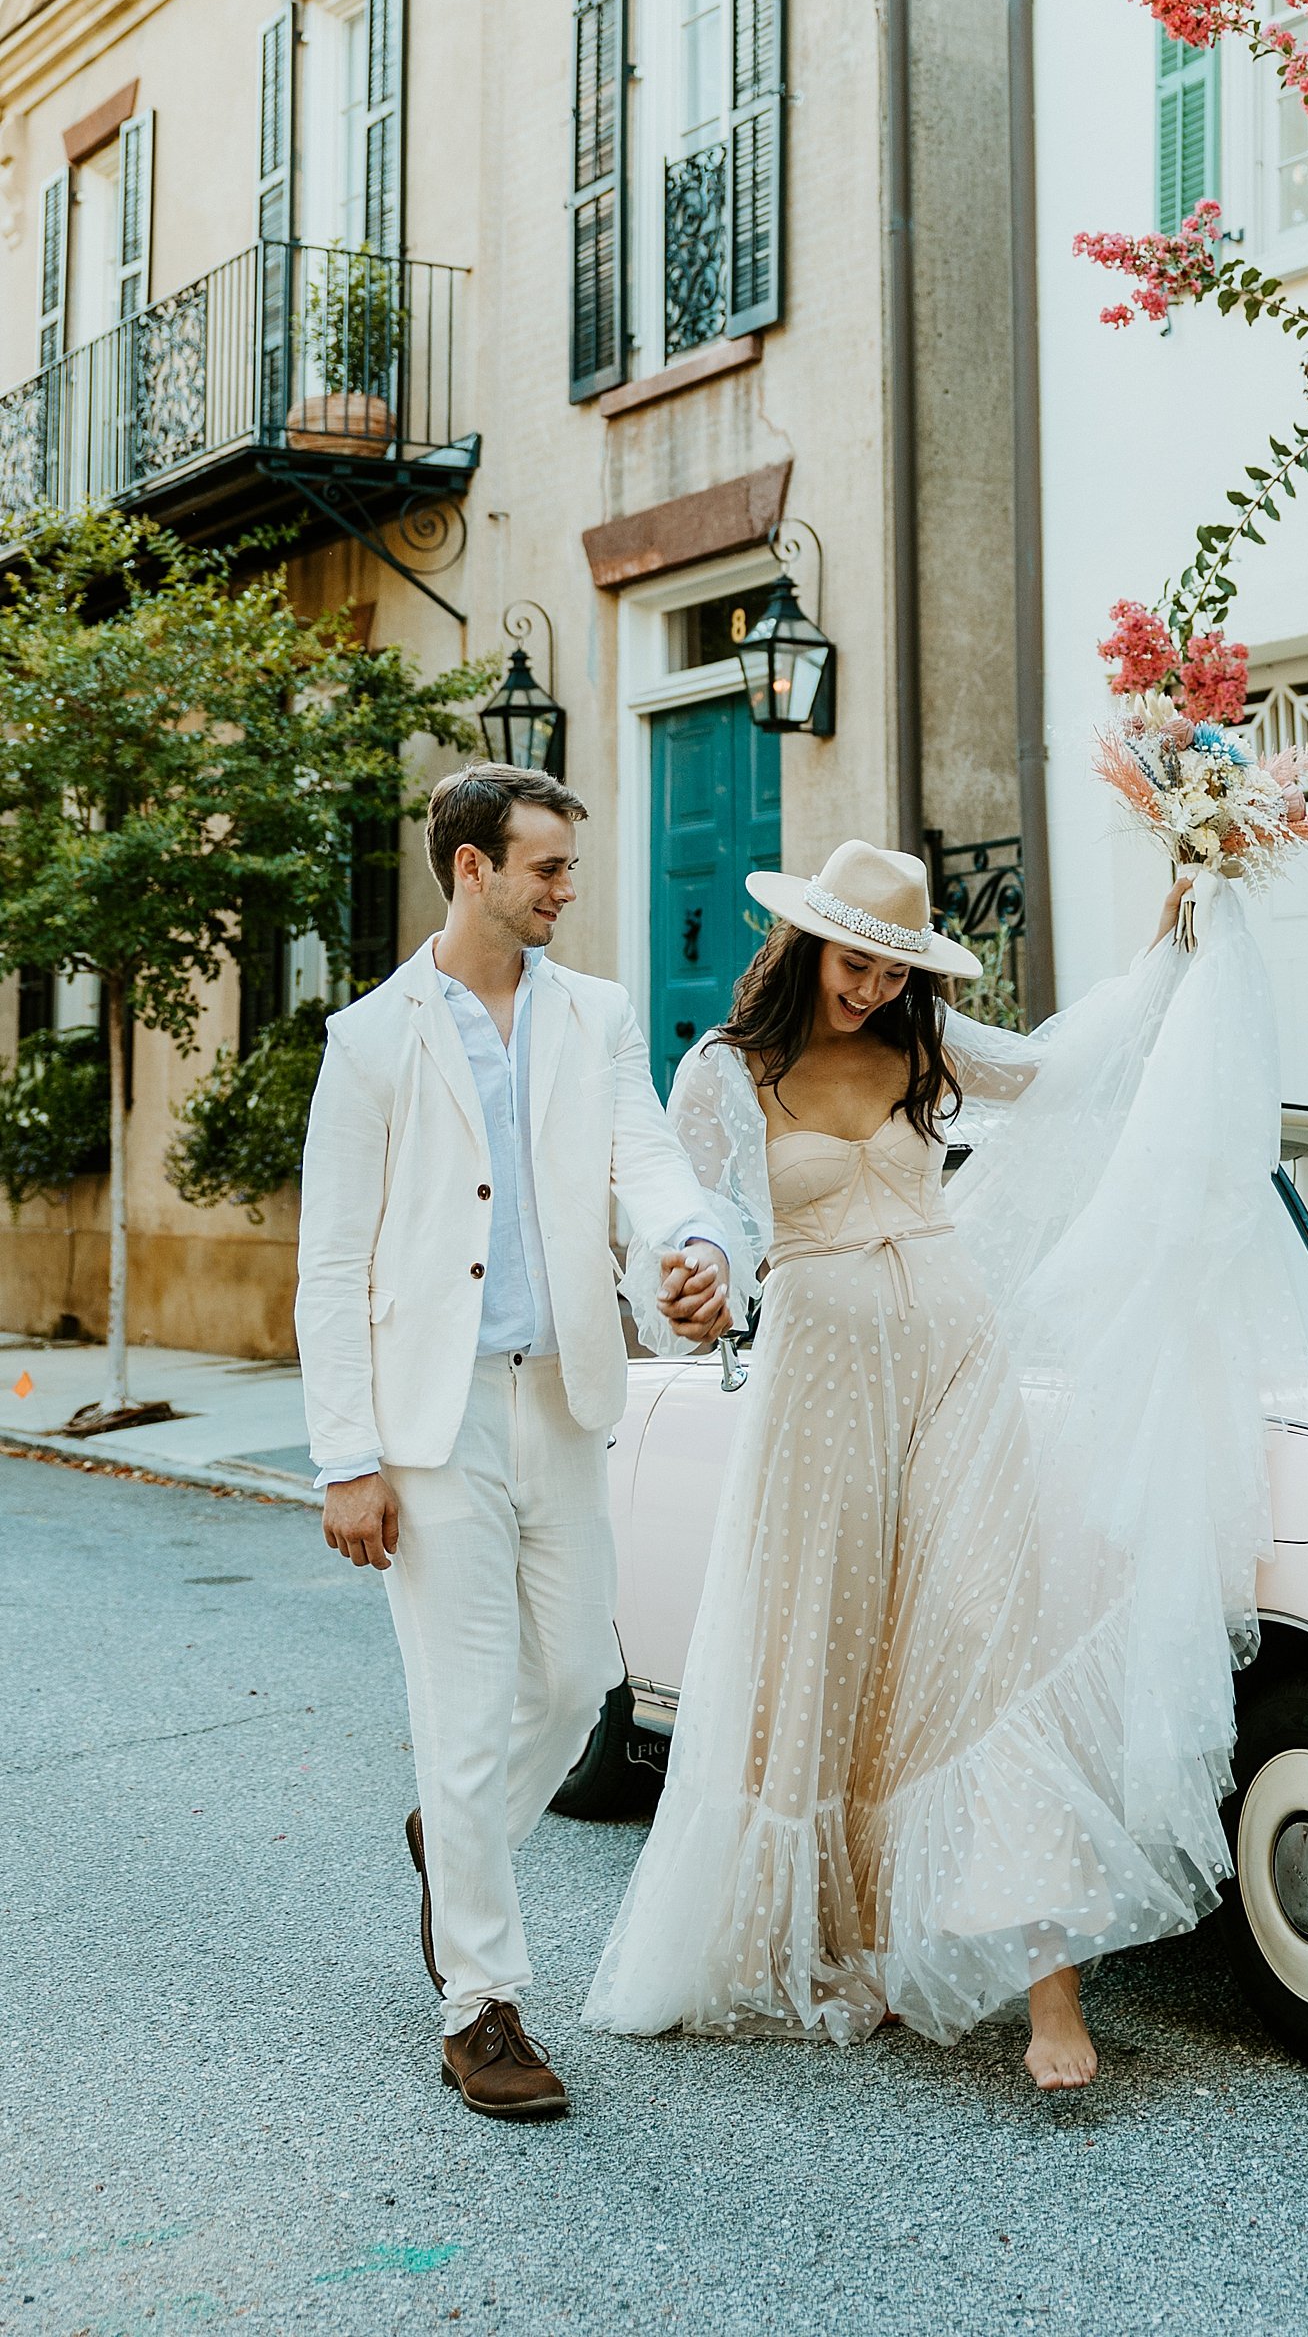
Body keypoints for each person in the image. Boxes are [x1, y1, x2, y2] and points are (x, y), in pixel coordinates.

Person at [586, 839, 1308, 2090]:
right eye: (855, 964)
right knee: (823, 1641)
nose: (869, 990)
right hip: (817, 1383)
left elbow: (1070, 1070)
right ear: (808, 943)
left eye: (892, 970)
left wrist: (1170, 935)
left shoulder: (929, 1048)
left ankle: (1050, 1996)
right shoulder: (728, 1070)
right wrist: (687, 1292)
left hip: (955, 1360)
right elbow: (670, 1234)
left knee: (989, 1631)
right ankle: (828, 1930)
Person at [296, 762, 733, 2121]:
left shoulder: (593, 1015)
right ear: (472, 868)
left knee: (572, 1686)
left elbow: (644, 1159)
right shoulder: (372, 1041)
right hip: (431, 1425)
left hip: (561, 1397)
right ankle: (481, 2007)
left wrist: (693, 1242)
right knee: (465, 1707)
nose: (567, 891)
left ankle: (456, 1832)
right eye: (546, 867)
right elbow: (330, 1262)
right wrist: (345, 1454)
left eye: (568, 867)